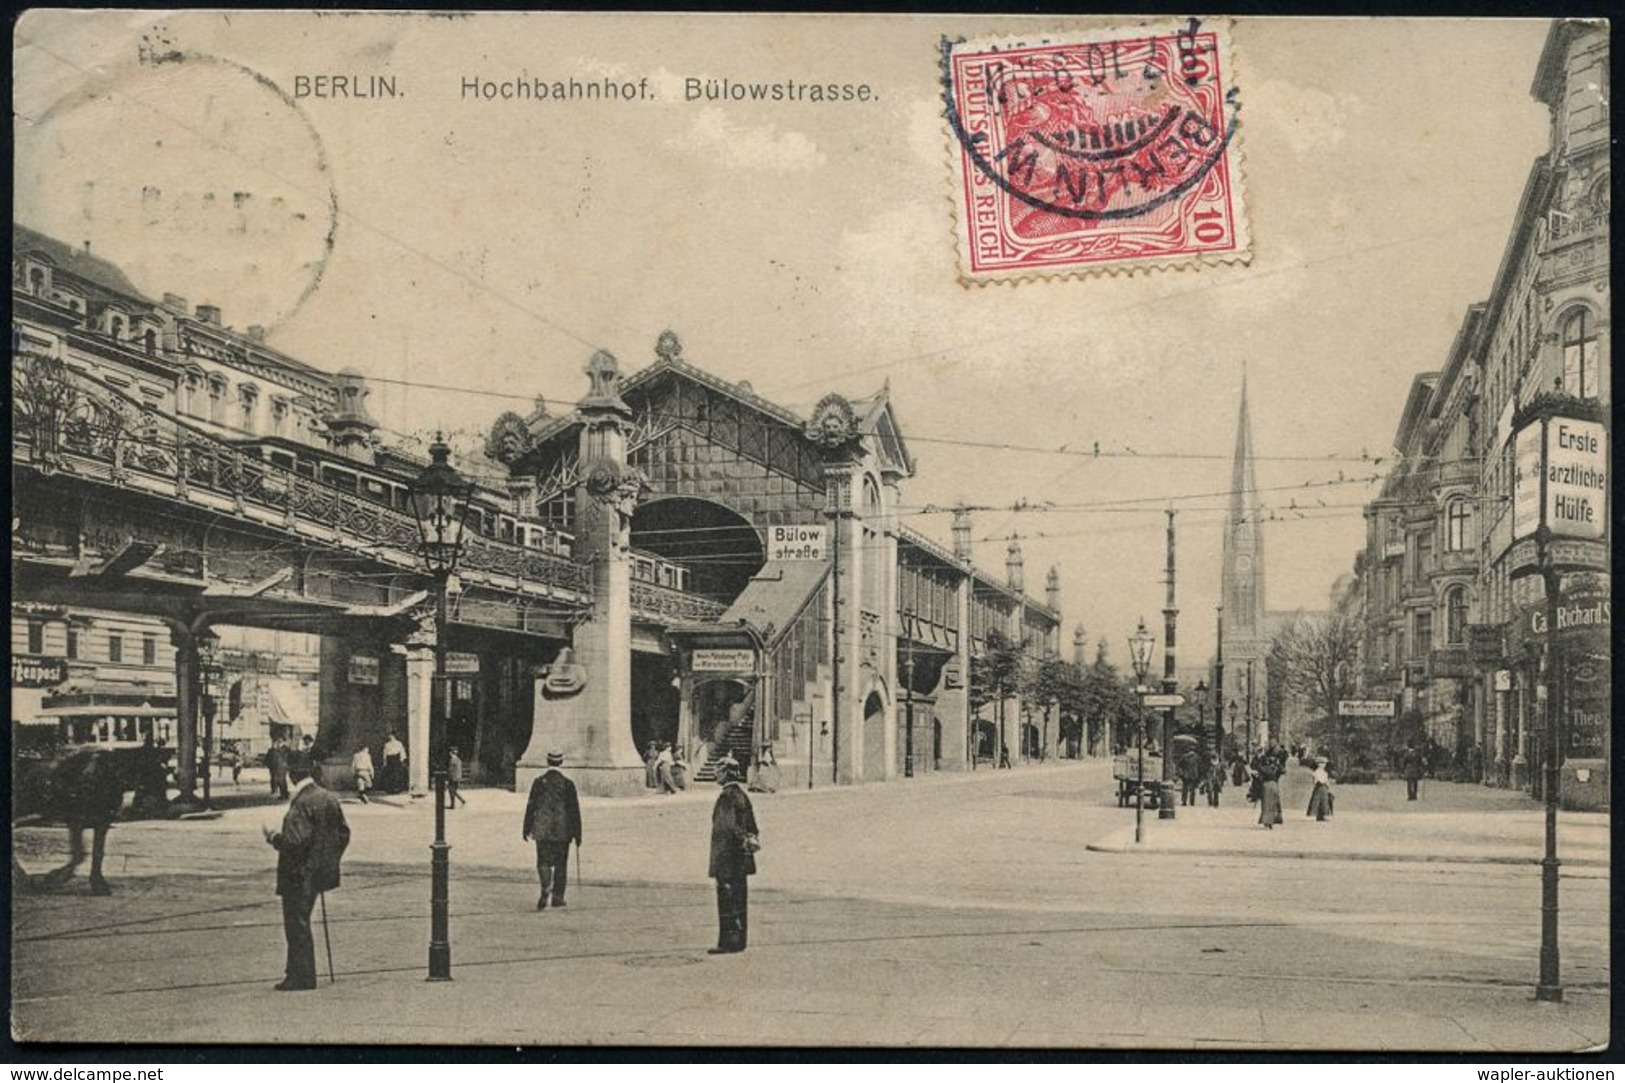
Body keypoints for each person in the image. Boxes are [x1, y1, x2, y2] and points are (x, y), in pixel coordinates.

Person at [262, 753, 350, 991]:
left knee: (296, 924)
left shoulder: (301, 802)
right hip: (319, 873)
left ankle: (301, 976)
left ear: (292, 775)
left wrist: (273, 838)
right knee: (302, 921)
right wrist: (328, 860)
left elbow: (295, 843)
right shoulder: (328, 798)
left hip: (298, 874)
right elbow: (343, 834)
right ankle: (297, 973)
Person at [708, 756, 759, 955]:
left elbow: (725, 830)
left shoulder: (726, 797)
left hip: (727, 859)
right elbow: (753, 827)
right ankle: (739, 941)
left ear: (725, 773)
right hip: (741, 859)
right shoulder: (742, 795)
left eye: (718, 771)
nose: (715, 774)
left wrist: (719, 863)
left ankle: (728, 943)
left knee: (727, 900)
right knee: (740, 900)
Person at [522, 751, 582, 910]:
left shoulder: (539, 781)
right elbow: (574, 809)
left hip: (542, 828)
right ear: (561, 762)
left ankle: (545, 887)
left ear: (547, 761)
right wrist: (578, 833)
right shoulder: (568, 783)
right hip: (563, 829)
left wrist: (526, 828)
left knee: (543, 860)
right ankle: (557, 897)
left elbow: (531, 806)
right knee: (561, 864)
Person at [1255, 753, 1284, 829]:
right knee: (1274, 804)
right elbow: (1283, 770)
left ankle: (1266, 821)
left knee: (1266, 804)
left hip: (1266, 786)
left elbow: (1257, 770)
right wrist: (1277, 764)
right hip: (1275, 785)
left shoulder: (1262, 768)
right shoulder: (1274, 768)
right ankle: (1273, 820)